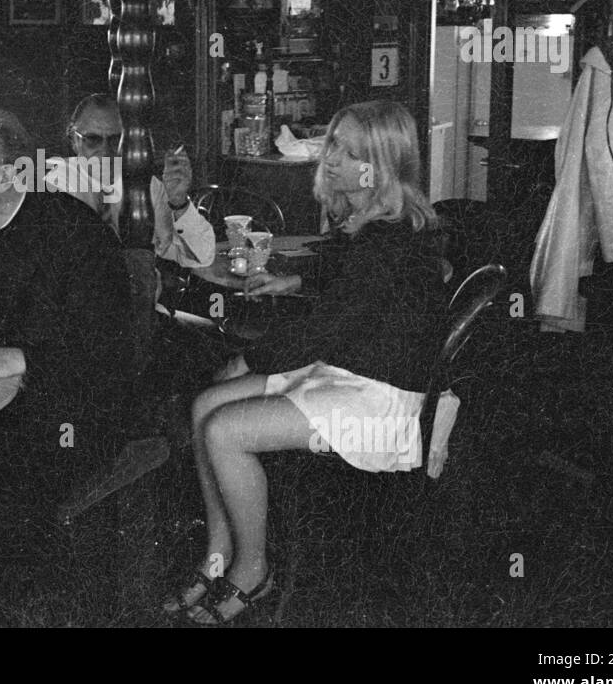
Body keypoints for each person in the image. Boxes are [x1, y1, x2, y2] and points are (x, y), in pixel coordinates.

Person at [166, 100, 445, 625]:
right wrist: (295, 279)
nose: (331, 158)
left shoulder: (386, 240)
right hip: (351, 369)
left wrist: (249, 361)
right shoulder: (378, 226)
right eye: (333, 143)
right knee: (205, 405)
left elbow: (322, 331)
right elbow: (342, 272)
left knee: (224, 430)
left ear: (380, 167)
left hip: (380, 398)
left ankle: (253, 570)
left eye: (350, 152)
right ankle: (218, 553)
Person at [0, 109, 134, 499]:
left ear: (7, 174)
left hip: (68, 422)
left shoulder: (78, 236)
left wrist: (23, 359)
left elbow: (109, 354)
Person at [47, 94, 215, 270]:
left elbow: (203, 256)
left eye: (115, 140)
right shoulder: (55, 184)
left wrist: (179, 203)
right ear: (74, 141)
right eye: (92, 140)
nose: (105, 151)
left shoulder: (147, 186)